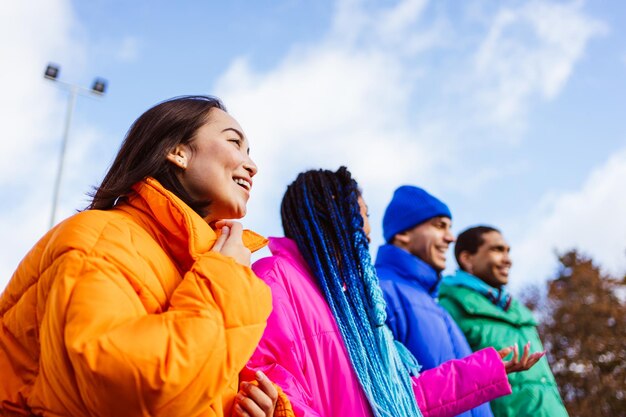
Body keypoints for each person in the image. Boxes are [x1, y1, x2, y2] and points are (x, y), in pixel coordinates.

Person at [0, 95, 288, 417]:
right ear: (178, 152)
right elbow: (128, 388)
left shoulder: (198, 266)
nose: (252, 165)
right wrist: (229, 281)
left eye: (250, 152)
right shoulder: (101, 237)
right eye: (234, 142)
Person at [238, 167, 543, 417]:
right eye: (365, 214)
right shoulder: (274, 279)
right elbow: (275, 390)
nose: (369, 230)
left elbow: (402, 397)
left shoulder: (351, 305)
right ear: (334, 209)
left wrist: (486, 369)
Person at [375, 185, 494, 417]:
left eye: (450, 227)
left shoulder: (435, 305)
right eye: (439, 226)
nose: (451, 238)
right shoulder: (381, 291)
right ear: (403, 233)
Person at [439, 226, 569, 417]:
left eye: (507, 251)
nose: (507, 259)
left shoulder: (519, 312)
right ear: (467, 258)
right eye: (497, 250)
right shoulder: (449, 309)